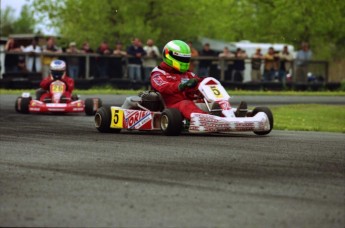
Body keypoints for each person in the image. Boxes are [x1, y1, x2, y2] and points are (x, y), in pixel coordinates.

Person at [150, 40, 206, 120]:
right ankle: (204, 120)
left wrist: (205, 83)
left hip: (190, 103)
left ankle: (223, 118)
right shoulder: (158, 73)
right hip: (171, 107)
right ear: (168, 55)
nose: (183, 61)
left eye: (185, 59)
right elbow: (163, 86)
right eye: (180, 58)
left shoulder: (187, 74)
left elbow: (198, 81)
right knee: (185, 104)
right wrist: (181, 85)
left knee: (211, 102)